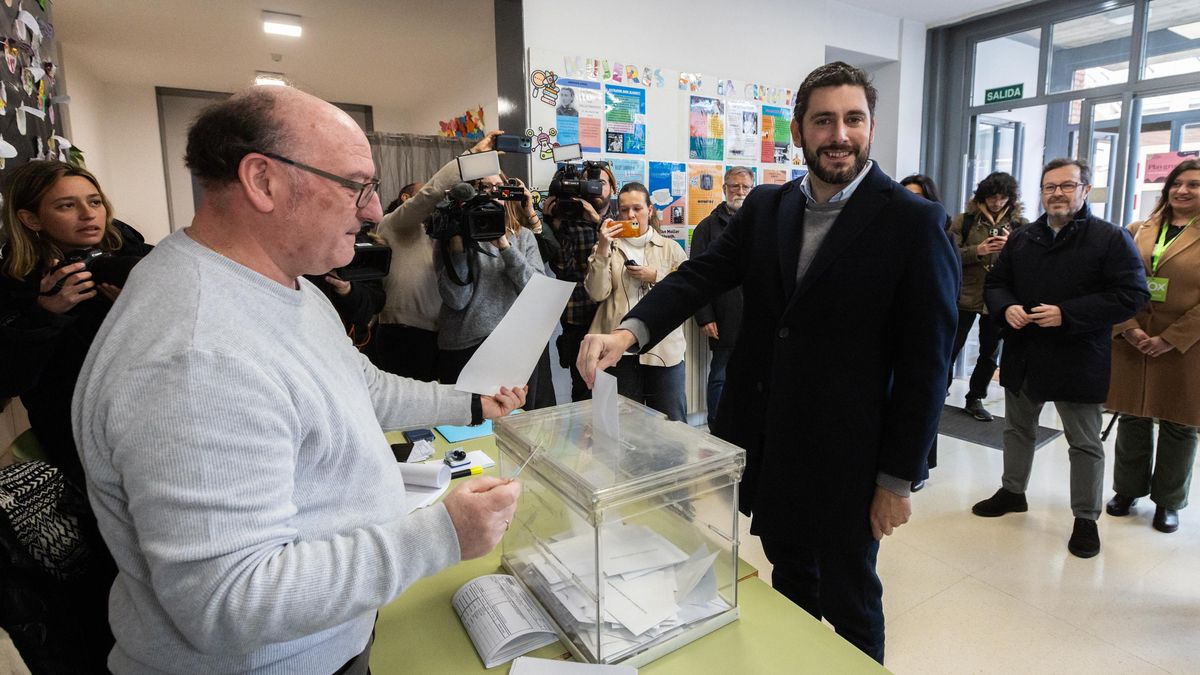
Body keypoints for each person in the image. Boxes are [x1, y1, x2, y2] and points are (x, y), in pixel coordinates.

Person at [71, 86, 525, 674]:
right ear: (262, 180)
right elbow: (228, 601)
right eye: (356, 184)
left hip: (326, 639)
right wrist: (441, 536)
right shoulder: (198, 353)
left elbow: (362, 389)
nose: (371, 210)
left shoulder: (288, 285)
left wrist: (470, 403)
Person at [576, 62, 959, 663]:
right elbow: (700, 274)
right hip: (773, 440)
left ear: (871, 126)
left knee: (851, 597)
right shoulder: (767, 207)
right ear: (799, 133)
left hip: (852, 456)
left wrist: (896, 479)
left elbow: (927, 363)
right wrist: (630, 330)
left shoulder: (913, 223)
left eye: (853, 119)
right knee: (790, 583)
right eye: (823, 120)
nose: (840, 134)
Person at [0, 159, 151, 672]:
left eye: (94, 201)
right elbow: (9, 381)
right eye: (66, 205)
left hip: (149, 419)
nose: (89, 215)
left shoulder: (128, 254)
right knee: (123, 555)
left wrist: (134, 303)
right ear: (31, 218)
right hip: (79, 434)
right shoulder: (15, 281)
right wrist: (45, 317)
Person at [972, 158, 1148, 560]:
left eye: (1067, 186)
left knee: (1084, 443)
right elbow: (997, 283)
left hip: (1079, 354)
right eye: (1050, 186)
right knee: (1018, 430)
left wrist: (1068, 314)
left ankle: (1085, 518)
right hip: (1025, 352)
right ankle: (1013, 491)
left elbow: (1131, 295)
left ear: (1085, 189)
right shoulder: (1022, 238)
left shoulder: (1110, 238)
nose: (1057, 193)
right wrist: (1007, 307)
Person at [1105, 159, 1200, 534]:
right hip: (1134, 338)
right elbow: (1111, 281)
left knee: (1180, 423)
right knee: (1133, 416)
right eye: (1178, 183)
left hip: (1185, 345)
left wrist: (1172, 338)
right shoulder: (1138, 230)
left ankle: (1169, 501)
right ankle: (1127, 490)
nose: (1183, 190)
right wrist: (1128, 328)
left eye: (1194, 185)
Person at [370, 131, 502, 381]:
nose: (440, 201)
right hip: (403, 336)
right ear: (406, 200)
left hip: (444, 339)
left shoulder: (451, 229)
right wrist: (472, 156)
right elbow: (431, 193)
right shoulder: (394, 225)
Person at [584, 182, 688, 421]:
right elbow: (597, 293)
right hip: (618, 351)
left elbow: (685, 295)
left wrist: (656, 276)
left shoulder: (670, 249)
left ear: (649, 211)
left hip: (664, 349)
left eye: (637, 208)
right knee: (622, 424)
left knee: (670, 423)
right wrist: (602, 248)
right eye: (623, 209)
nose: (630, 215)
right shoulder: (607, 246)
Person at [433, 173, 545, 387]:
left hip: (513, 345)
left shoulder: (522, 236)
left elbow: (536, 292)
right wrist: (458, 248)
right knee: (469, 419)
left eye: (498, 187)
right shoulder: (450, 234)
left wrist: (504, 246)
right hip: (464, 346)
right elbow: (456, 300)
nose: (492, 194)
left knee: (514, 418)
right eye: (484, 187)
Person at [948, 172, 1027, 423]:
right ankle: (939, 391)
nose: (997, 202)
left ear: (1010, 199)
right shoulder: (965, 221)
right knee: (950, 347)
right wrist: (978, 251)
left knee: (990, 352)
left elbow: (1030, 262)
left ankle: (975, 397)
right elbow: (949, 255)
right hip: (964, 294)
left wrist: (1011, 245)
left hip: (998, 299)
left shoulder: (1020, 225)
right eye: (992, 197)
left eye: (1002, 198)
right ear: (982, 197)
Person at [542, 162, 620, 402]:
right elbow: (564, 270)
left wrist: (598, 223)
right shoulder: (569, 221)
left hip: (612, 315)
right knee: (584, 385)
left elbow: (625, 262)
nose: (594, 189)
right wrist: (554, 225)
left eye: (600, 184)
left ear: (612, 189)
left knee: (616, 383)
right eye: (587, 184)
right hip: (578, 316)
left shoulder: (620, 222)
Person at [899, 172, 956, 491]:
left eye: (919, 197)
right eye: (907, 197)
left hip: (926, 330)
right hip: (899, 332)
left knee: (925, 394)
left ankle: (918, 467)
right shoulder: (892, 234)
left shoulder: (940, 236)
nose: (913, 204)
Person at [691, 166, 751, 426]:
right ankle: (718, 427)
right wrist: (704, 317)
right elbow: (696, 276)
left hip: (757, 315)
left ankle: (746, 424)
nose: (740, 191)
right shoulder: (707, 228)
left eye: (745, 187)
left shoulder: (761, 223)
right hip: (724, 317)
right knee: (720, 375)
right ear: (724, 189)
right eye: (734, 186)